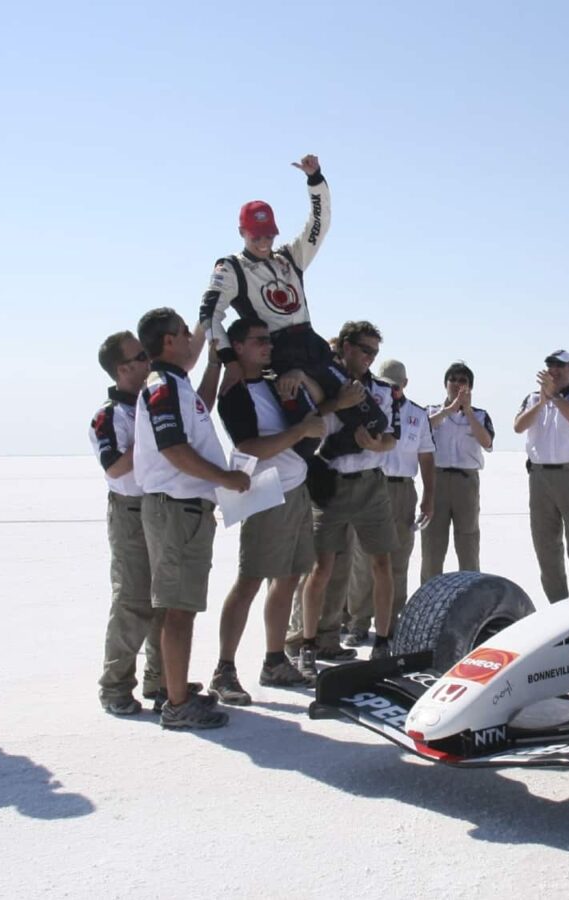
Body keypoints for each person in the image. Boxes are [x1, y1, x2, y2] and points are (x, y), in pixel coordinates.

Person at [193, 154, 388, 441]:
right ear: (241, 233)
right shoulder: (231, 268)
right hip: (279, 353)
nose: (263, 243)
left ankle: (336, 457)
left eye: (268, 236)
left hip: (313, 345)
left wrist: (315, 180)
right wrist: (228, 359)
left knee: (374, 422)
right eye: (255, 237)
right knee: (307, 435)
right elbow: (209, 315)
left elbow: (319, 226)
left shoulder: (288, 257)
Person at [133, 307, 250, 730]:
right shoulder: (162, 386)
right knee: (179, 609)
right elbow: (174, 449)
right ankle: (178, 704)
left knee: (175, 606)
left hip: (186, 510)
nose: (191, 339)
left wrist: (217, 366)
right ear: (168, 341)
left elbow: (202, 405)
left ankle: (172, 684)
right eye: (185, 333)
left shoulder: (178, 386)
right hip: (175, 510)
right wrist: (225, 478)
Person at [210, 319, 328, 703]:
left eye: (268, 340)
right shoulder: (234, 392)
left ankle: (274, 660)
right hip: (263, 492)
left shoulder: (275, 382)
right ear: (238, 346)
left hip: (294, 488)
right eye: (259, 341)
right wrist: (301, 432)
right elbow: (250, 448)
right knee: (250, 580)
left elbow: (314, 413)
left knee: (290, 576)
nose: (268, 347)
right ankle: (224, 669)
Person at [287, 321, 399, 677]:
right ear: (346, 347)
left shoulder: (381, 392)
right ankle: (307, 643)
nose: (369, 358)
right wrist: (338, 401)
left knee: (382, 564)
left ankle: (382, 641)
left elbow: (391, 437)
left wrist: (376, 445)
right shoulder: (325, 383)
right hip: (331, 484)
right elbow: (310, 419)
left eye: (374, 353)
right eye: (364, 350)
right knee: (321, 569)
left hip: (371, 484)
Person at [89, 331, 166, 716]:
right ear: (123, 368)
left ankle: (161, 678)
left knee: (165, 598)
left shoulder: (152, 404)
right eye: (141, 355)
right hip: (131, 511)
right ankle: (116, 686)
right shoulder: (110, 415)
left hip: (159, 508)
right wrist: (151, 437)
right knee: (133, 600)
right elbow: (116, 466)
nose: (149, 361)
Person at [340, 358, 435, 647]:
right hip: (369, 486)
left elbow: (427, 456)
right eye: (386, 385)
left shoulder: (418, 415)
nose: (391, 391)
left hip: (402, 491)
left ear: (405, 384)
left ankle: (392, 622)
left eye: (396, 386)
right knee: (362, 560)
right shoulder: (368, 407)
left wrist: (429, 497)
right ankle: (358, 622)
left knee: (398, 558)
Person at [512, 349, 569, 602]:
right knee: (546, 545)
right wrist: (542, 401)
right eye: (550, 365)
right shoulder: (532, 398)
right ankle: (558, 605)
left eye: (560, 366)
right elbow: (518, 426)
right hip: (540, 477)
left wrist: (556, 398)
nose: (554, 370)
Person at [421, 362, 494, 581]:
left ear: (470, 387)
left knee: (468, 543)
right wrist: (447, 412)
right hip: (437, 481)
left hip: (466, 483)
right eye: (452, 379)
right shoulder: (431, 412)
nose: (457, 385)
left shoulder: (480, 415)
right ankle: (429, 598)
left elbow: (487, 442)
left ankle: (472, 594)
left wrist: (468, 412)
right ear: (445, 384)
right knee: (432, 544)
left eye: (462, 380)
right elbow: (419, 432)